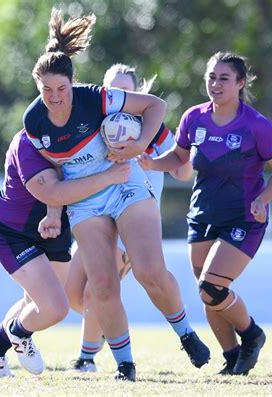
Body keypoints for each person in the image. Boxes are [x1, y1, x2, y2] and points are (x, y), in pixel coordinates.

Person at [24, 8, 210, 381]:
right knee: (100, 286)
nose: (55, 97)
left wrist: (139, 144)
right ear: (37, 87)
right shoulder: (35, 122)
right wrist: (54, 213)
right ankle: (124, 364)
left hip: (126, 184)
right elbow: (52, 173)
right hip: (86, 200)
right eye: (47, 90)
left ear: (73, 83)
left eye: (62, 89)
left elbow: (156, 106)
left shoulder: (97, 99)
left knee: (149, 271)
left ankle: (185, 333)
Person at [139, 52, 272, 375]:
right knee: (207, 294)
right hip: (202, 216)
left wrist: (264, 199)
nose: (215, 84)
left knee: (212, 288)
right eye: (211, 77)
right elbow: (178, 157)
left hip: (243, 219)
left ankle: (251, 334)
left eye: (224, 78)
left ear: (240, 83)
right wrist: (151, 163)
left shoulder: (257, 125)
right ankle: (233, 356)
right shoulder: (194, 118)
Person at [0, 128, 131, 378]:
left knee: (34, 303)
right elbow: (54, 192)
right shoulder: (25, 144)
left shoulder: (81, 131)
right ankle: (19, 333)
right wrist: (110, 176)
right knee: (55, 308)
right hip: (14, 232)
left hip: (54, 231)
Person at [68, 63, 193, 373]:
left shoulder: (154, 129)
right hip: (96, 216)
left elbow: (182, 170)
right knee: (72, 294)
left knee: (94, 291)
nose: (120, 95)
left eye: (127, 89)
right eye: (114, 89)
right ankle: (98, 339)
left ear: (139, 93)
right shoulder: (96, 123)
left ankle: (87, 359)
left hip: (132, 218)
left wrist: (176, 154)